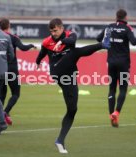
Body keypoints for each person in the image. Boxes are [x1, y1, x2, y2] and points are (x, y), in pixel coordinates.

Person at [35, 18, 110, 153]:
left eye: (55, 30)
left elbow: (72, 41)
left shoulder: (70, 35)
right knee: (75, 52)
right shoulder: (47, 42)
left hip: (69, 76)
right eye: (51, 31)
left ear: (62, 28)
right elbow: (42, 53)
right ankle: (103, 45)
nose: (53, 33)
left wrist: (61, 42)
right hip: (57, 71)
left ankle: (60, 141)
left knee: (73, 109)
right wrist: (37, 61)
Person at [96, 9, 136, 127]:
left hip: (111, 62)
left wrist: (108, 40)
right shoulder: (127, 28)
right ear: (125, 17)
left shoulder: (109, 27)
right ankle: (116, 112)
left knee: (112, 89)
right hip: (123, 63)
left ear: (116, 16)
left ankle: (110, 115)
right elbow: (134, 42)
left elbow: (98, 39)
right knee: (123, 89)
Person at [0, 18, 36, 125]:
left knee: (2, 94)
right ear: (8, 26)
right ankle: (5, 112)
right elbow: (23, 48)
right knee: (15, 93)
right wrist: (31, 45)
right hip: (12, 69)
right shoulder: (13, 37)